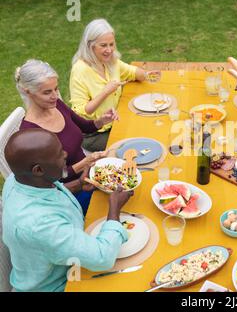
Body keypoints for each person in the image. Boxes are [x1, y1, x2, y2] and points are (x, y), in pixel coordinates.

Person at [2, 128, 133, 292]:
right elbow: (102, 257)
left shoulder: (17, 180)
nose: (65, 154)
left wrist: (78, 184)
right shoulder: (39, 225)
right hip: (61, 284)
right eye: (58, 154)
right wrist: (114, 208)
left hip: (64, 259)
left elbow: (49, 194)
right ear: (38, 170)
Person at [16, 59, 117, 214]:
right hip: (71, 193)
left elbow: (85, 126)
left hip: (90, 174)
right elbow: (51, 179)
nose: (55, 96)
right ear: (27, 91)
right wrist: (84, 163)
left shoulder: (56, 105)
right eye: (47, 92)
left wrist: (102, 120)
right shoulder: (30, 133)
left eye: (56, 89)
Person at [70, 18, 161, 151]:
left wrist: (147, 75)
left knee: (151, 124)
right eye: (103, 45)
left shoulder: (109, 61)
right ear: (90, 45)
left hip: (115, 121)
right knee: (140, 142)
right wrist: (105, 92)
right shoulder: (80, 70)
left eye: (111, 44)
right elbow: (82, 112)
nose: (109, 50)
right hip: (94, 134)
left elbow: (131, 72)